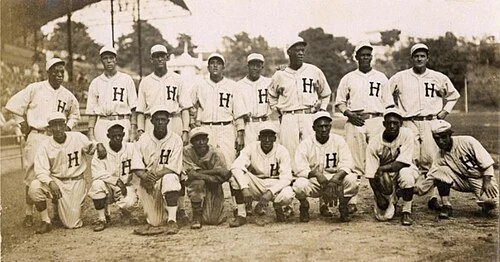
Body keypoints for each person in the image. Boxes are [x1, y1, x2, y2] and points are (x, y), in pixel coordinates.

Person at [5, 58, 81, 228]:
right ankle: (29, 213)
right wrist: (20, 122)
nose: (60, 74)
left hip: (57, 138)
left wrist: (68, 126)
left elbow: (75, 114)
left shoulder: (67, 95)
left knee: (56, 173)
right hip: (38, 134)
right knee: (32, 175)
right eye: (56, 71)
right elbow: (13, 105)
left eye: (62, 71)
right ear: (48, 72)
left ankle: (56, 213)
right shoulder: (35, 88)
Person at [388, 43, 461, 211]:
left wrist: (444, 112)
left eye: (422, 56)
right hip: (408, 121)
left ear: (427, 58)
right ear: (411, 58)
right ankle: (400, 195)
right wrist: (393, 112)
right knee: (407, 158)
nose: (419, 58)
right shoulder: (401, 77)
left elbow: (453, 95)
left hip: (430, 121)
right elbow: (386, 93)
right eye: (416, 56)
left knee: (431, 158)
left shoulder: (438, 77)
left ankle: (432, 197)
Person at [136, 44, 193, 223]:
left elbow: (185, 108)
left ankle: (180, 209)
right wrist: (140, 130)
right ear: (151, 59)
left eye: (163, 56)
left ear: (167, 57)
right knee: (152, 163)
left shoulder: (177, 79)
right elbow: (140, 110)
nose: (160, 59)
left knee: (178, 167)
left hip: (173, 120)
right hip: (151, 122)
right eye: (156, 56)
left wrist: (185, 130)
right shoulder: (145, 81)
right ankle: (155, 204)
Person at [28, 112, 101, 233]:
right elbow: (40, 170)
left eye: (60, 125)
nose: (57, 129)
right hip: (55, 181)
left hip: (75, 181)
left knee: (71, 224)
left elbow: (92, 148)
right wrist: (50, 182)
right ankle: (45, 221)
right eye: (54, 125)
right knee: (34, 187)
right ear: (49, 128)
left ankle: (59, 210)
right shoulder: (45, 145)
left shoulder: (77, 137)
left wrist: (99, 145)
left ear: (65, 125)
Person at [268, 36, 331, 170]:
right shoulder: (280, 75)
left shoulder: (314, 70)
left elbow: (325, 93)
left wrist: (323, 110)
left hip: (309, 115)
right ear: (289, 52)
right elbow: (271, 96)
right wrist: (278, 111)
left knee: (311, 148)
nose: (301, 53)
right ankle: (290, 180)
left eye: (302, 50)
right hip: (288, 116)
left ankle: (313, 178)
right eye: (297, 50)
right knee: (288, 151)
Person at [417, 120, 498, 218]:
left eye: (444, 137)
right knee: (439, 171)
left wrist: (487, 182)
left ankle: (485, 206)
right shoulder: (439, 155)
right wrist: (417, 189)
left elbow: (487, 163)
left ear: (450, 135)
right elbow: (432, 176)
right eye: (437, 138)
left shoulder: (468, 141)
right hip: (462, 180)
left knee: (491, 201)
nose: (441, 141)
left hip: (481, 178)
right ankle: (446, 206)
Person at [292, 111, 358, 222]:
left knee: (352, 180)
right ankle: (304, 206)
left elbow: (347, 163)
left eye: (326, 126)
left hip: (335, 181)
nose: (323, 129)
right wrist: (316, 174)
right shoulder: (306, 143)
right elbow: (299, 168)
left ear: (330, 127)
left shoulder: (339, 140)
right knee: (299, 185)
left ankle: (343, 205)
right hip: (315, 182)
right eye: (320, 126)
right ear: (313, 128)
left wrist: (335, 179)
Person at [229, 123, 295, 227]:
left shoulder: (282, 150)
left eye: (270, 136)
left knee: (288, 195)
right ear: (259, 137)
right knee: (234, 178)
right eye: (264, 136)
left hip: (275, 183)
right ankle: (241, 215)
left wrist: (270, 192)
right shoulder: (251, 147)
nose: (267, 140)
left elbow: (287, 178)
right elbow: (236, 166)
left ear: (275, 138)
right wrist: (244, 188)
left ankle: (278, 208)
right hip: (257, 182)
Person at [131, 106, 183, 235]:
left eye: (163, 119)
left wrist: (157, 175)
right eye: (157, 119)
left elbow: (174, 167)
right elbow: (136, 165)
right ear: (152, 121)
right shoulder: (143, 139)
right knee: (156, 222)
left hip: (165, 176)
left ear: (168, 121)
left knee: (170, 179)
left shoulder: (176, 139)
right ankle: (164, 212)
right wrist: (145, 176)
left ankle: (172, 220)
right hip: (148, 181)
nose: (160, 122)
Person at [365, 108, 419, 225]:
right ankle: (394, 195)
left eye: (396, 123)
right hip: (385, 177)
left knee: (406, 176)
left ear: (401, 124)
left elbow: (403, 162)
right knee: (383, 216)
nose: (392, 126)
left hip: (403, 169)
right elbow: (370, 173)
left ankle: (406, 210)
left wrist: (382, 168)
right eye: (389, 123)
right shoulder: (374, 141)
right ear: (384, 124)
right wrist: (378, 195)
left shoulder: (407, 133)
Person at [191, 53, 247, 167]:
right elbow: (188, 105)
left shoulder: (232, 86)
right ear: (208, 67)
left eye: (219, 63)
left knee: (228, 161)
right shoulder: (199, 85)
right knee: (207, 162)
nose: (215, 66)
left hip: (226, 128)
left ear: (223, 67)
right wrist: (192, 122)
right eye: (212, 63)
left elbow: (238, 112)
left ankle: (228, 185)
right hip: (206, 128)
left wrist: (240, 134)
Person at [88, 123, 138, 232]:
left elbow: (138, 164)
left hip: (125, 186)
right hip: (108, 186)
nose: (117, 138)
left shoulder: (130, 147)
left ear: (124, 134)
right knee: (97, 185)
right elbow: (96, 173)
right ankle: (102, 218)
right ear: (108, 136)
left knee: (129, 202)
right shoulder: (101, 150)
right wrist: (116, 181)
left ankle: (125, 212)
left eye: (120, 135)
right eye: (114, 136)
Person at [86, 46, 138, 144]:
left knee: (124, 156)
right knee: (103, 155)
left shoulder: (126, 79)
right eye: (105, 58)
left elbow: (133, 108)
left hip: (122, 121)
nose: (109, 61)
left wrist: (133, 130)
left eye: (111, 58)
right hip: (102, 123)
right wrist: (91, 133)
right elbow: (92, 112)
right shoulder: (96, 82)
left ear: (116, 60)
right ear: (101, 61)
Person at [183, 126, 231, 229]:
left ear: (207, 140)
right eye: (197, 140)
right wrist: (214, 172)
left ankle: (209, 211)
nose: (201, 143)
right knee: (197, 182)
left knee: (212, 220)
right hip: (198, 185)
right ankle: (196, 215)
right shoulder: (187, 151)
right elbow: (190, 175)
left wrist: (200, 174)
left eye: (203, 139)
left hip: (213, 185)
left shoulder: (216, 153)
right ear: (191, 142)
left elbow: (225, 175)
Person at [236, 53, 275, 147]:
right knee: (250, 155)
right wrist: (240, 134)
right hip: (249, 125)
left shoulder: (269, 82)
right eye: (252, 65)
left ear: (262, 67)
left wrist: (282, 71)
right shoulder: (239, 85)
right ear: (248, 66)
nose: (255, 68)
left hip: (266, 122)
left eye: (258, 65)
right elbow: (238, 112)